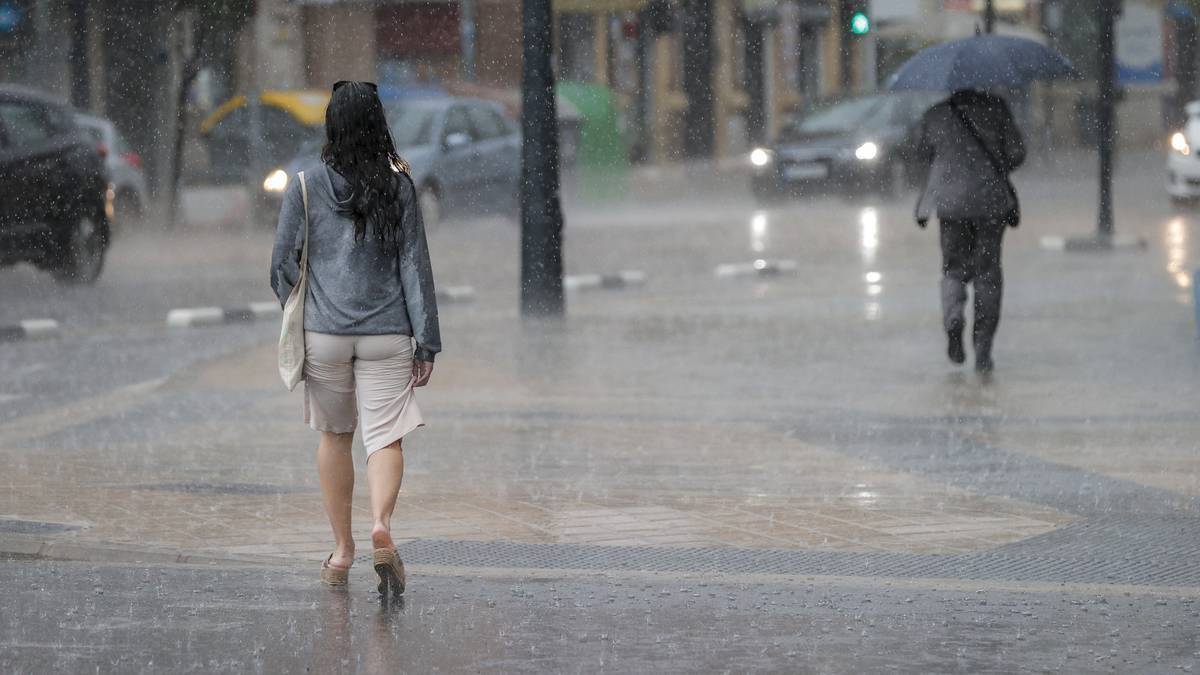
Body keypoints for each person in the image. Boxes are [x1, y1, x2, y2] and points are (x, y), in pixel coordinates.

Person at [270, 80, 440, 594]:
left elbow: (281, 266)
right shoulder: (399, 186)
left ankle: (342, 552)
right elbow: (414, 266)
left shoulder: (304, 186)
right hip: (388, 332)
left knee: (335, 436)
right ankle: (381, 527)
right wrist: (426, 338)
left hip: (325, 334)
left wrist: (305, 307)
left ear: (331, 125)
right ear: (378, 123)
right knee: (385, 437)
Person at [914, 88, 1025, 373]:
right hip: (990, 203)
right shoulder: (996, 109)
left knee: (953, 270)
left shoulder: (936, 114)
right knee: (988, 274)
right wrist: (993, 159)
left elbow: (922, 155)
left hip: (950, 205)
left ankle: (953, 319)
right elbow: (1017, 154)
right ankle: (983, 348)